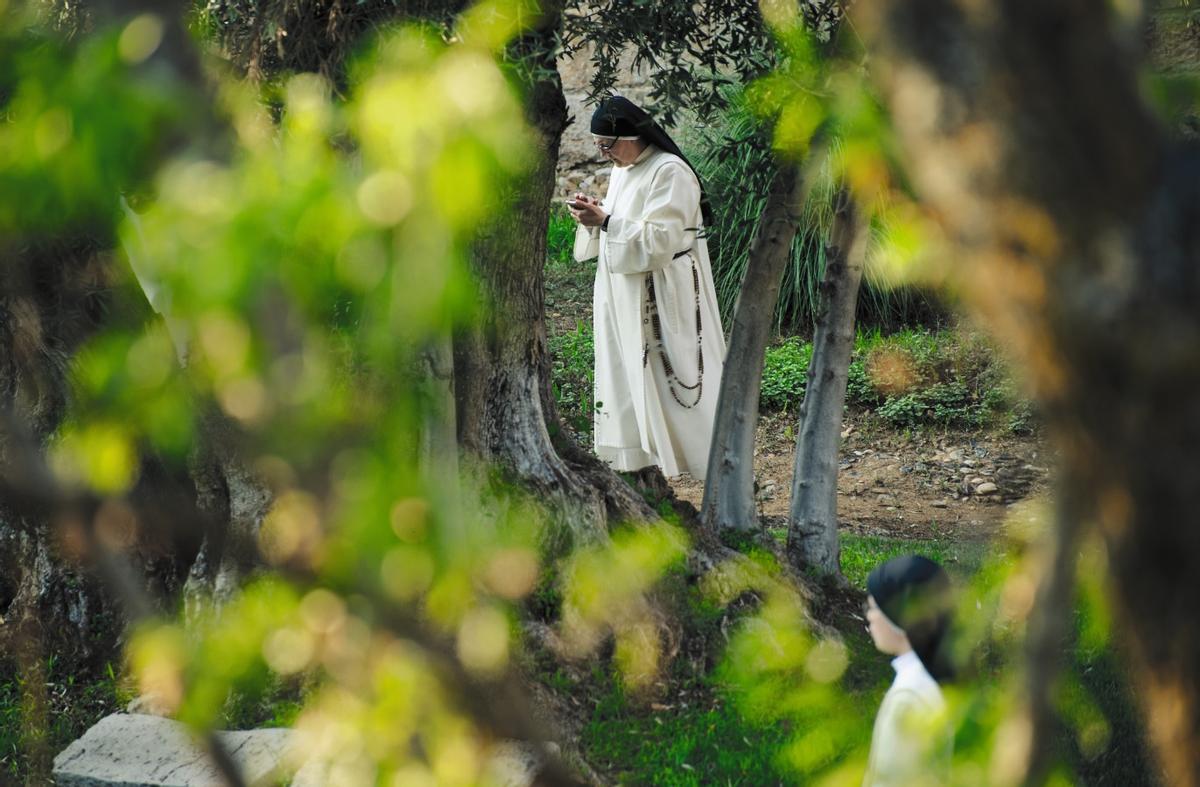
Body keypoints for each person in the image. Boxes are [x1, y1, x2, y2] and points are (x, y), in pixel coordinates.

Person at [568, 95, 725, 481]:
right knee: (625, 375)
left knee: (676, 375)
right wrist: (595, 215)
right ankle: (638, 464)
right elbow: (621, 219)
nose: (604, 155)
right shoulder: (624, 169)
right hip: (621, 291)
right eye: (597, 146)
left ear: (632, 136)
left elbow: (661, 240)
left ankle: (706, 463)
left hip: (663, 291)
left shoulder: (669, 171)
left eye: (608, 145)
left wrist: (606, 222)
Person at [862, 554, 955, 786]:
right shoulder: (948, 675)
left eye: (874, 608)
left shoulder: (908, 698)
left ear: (900, 619)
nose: (869, 617)